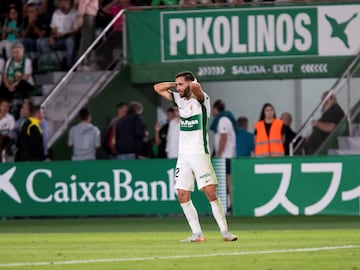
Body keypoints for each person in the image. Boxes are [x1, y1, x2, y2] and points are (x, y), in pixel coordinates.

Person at [153, 71, 237, 242]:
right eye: (177, 85)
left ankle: (225, 232)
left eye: (181, 85)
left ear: (190, 84)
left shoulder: (202, 99)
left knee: (210, 192)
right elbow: (157, 88)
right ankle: (197, 234)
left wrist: (190, 85)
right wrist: (175, 84)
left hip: (199, 153)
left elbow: (197, 89)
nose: (178, 88)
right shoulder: (179, 99)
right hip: (183, 156)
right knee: (182, 194)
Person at [210, 99, 237, 214]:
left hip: (226, 156)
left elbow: (224, 138)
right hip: (224, 156)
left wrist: (219, 154)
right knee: (224, 181)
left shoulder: (222, 120)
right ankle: (226, 204)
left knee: (227, 181)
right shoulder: (223, 119)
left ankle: (231, 204)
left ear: (216, 109)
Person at [37, 0, 78, 69]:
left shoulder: (74, 13)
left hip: (69, 37)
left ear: (68, 3)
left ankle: (69, 65)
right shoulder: (56, 13)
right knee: (41, 41)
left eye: (63, 2)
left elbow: (76, 31)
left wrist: (65, 34)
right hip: (58, 38)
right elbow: (53, 29)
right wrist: (52, 37)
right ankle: (51, 63)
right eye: (59, 3)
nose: (61, 5)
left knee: (70, 41)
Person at [75, 0, 99, 70]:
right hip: (87, 15)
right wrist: (80, 15)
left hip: (90, 14)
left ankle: (84, 62)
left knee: (88, 40)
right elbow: (83, 1)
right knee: (86, 40)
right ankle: (82, 63)